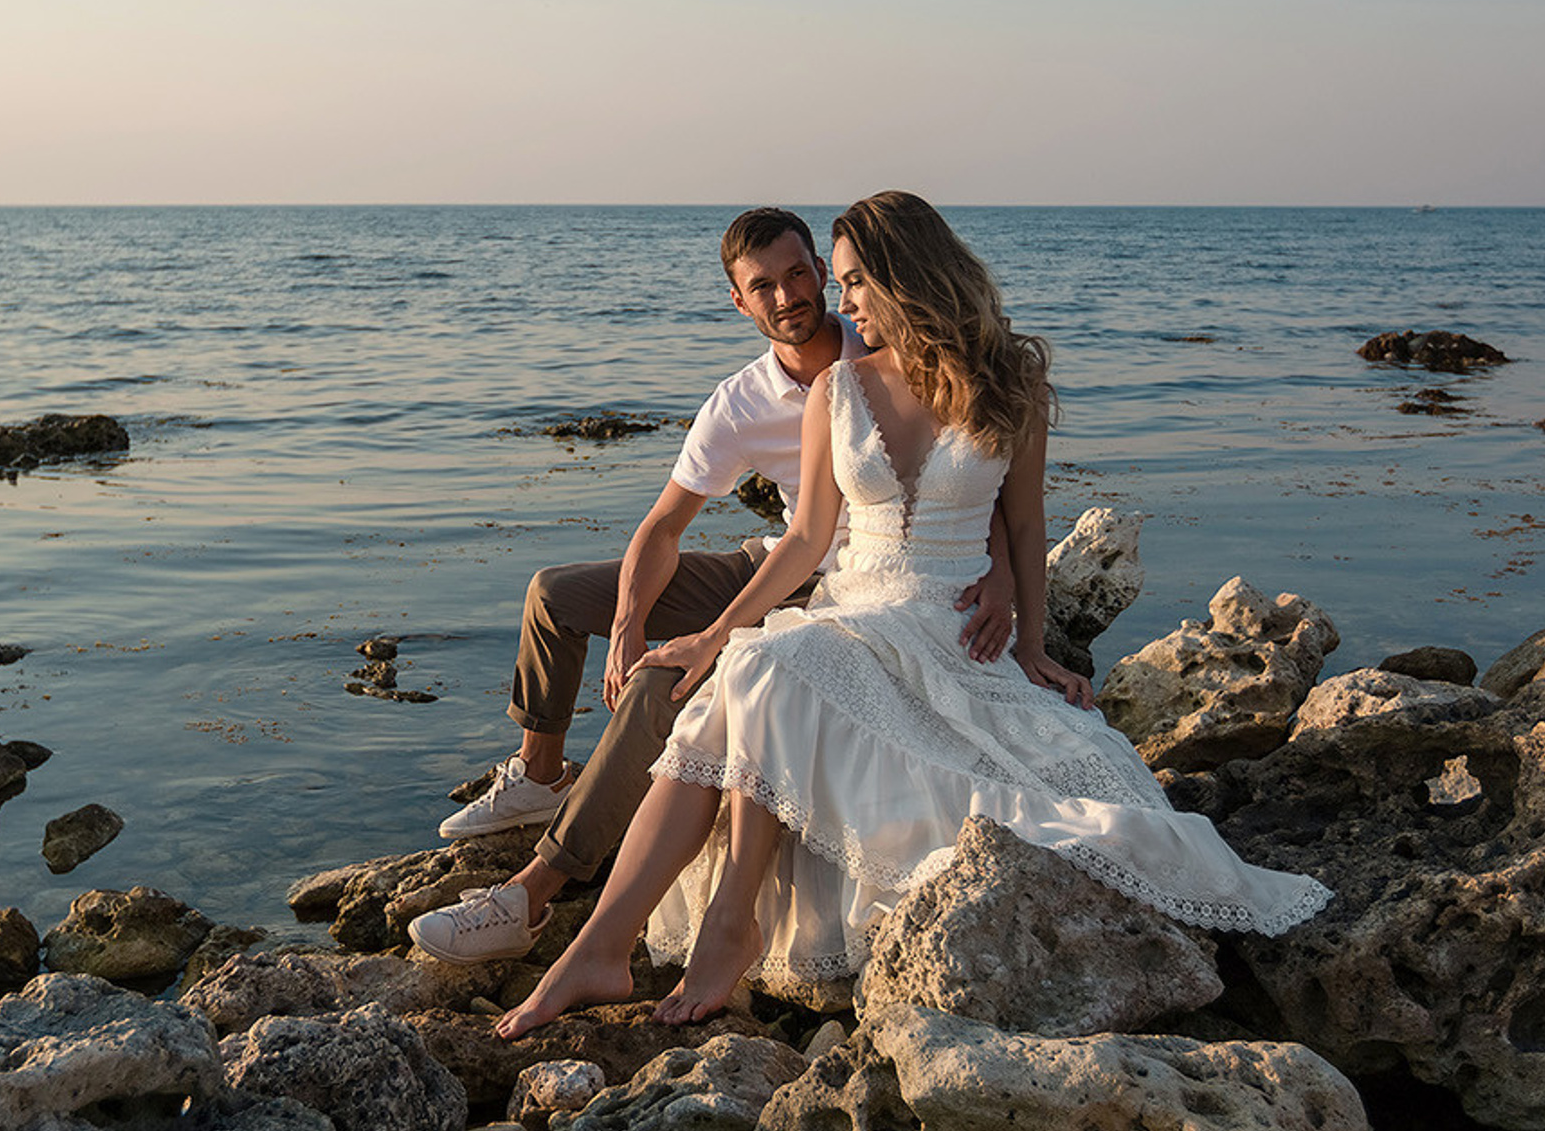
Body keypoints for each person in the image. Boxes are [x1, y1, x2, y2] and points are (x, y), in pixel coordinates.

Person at [495, 192, 1331, 1039]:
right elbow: (806, 539)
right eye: (841, 282)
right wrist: (715, 634)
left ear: (907, 277)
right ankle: (602, 946)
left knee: (760, 677)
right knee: (752, 666)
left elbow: (1026, 523)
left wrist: (1033, 645)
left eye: (853, 282)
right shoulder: (836, 389)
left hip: (950, 620)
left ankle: (713, 929)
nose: (842, 303)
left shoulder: (1015, 382)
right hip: (850, 602)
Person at [409, 206, 1016, 966]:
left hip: (851, 591)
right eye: (763, 286)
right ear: (739, 301)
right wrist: (629, 624)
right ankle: (539, 775)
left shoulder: (884, 339)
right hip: (777, 565)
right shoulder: (740, 403)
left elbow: (969, 469)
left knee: (660, 691)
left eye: (800, 275)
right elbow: (665, 528)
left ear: (824, 275)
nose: (787, 295)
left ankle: (534, 894)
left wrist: (1001, 574)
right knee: (556, 595)